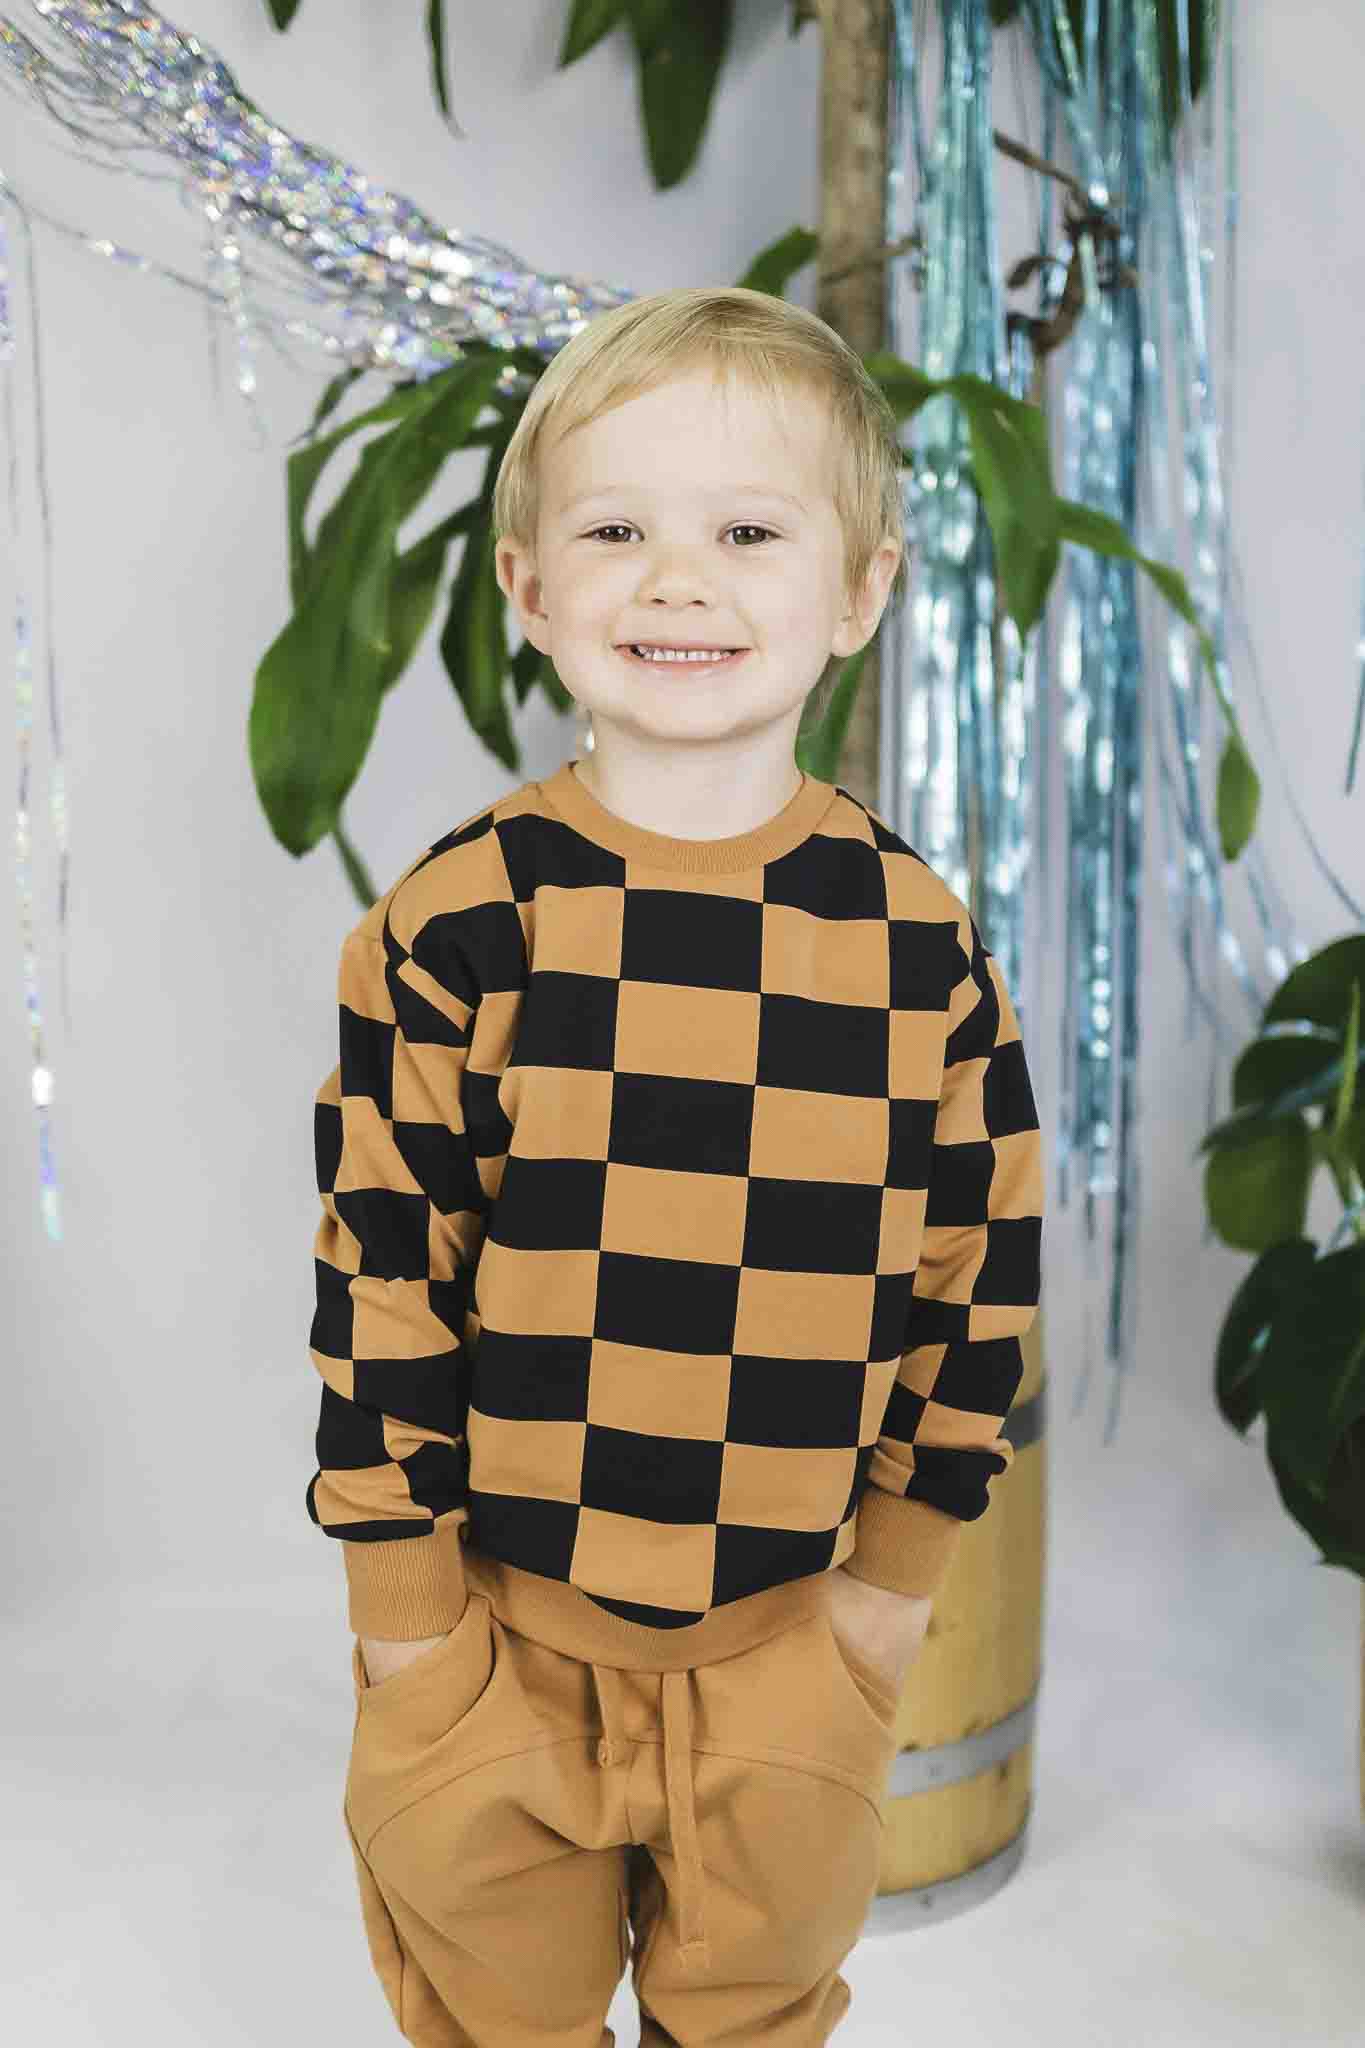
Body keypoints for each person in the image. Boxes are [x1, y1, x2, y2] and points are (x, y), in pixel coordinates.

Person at [306, 284, 1045, 2046]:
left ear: (858, 590)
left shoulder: (913, 944)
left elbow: (975, 1271)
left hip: (793, 1638)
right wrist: (409, 1635)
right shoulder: (457, 924)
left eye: (747, 532)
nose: (678, 581)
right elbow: (382, 1276)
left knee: (756, 2020)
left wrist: (886, 1593)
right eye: (615, 529)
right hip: (499, 1640)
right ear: (527, 585)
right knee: (497, 2019)